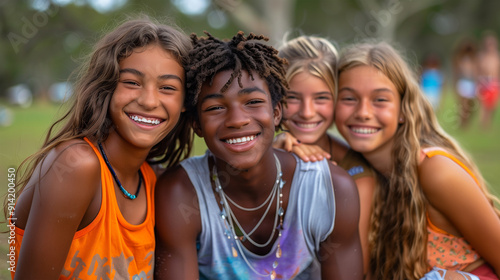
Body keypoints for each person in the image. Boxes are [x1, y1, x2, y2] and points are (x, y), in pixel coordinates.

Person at [154, 31, 363, 280]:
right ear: (196, 125)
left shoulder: (331, 189)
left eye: (252, 102)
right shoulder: (180, 193)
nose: (237, 120)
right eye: (216, 108)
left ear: (276, 113)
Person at [8, 18, 193, 279]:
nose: (149, 101)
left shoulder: (157, 182)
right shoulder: (75, 165)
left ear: (185, 102)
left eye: (167, 88)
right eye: (131, 82)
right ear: (107, 86)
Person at [334, 42, 500, 280]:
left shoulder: (435, 170)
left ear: (403, 109)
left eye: (380, 100)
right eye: (349, 98)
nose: (363, 112)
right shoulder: (358, 167)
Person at [272, 35, 375, 274]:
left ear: (338, 98)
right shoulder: (263, 151)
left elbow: (356, 268)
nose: (307, 112)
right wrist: (277, 151)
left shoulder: (356, 171)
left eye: (321, 98)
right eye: (292, 98)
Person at [452, 38, 478, 129]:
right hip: (463, 82)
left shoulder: (474, 59)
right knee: (463, 105)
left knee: (470, 106)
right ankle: (462, 124)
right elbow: (456, 72)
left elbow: (475, 72)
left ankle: (465, 122)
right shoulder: (459, 59)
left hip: (471, 83)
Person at [477, 31, 500, 129]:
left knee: (493, 105)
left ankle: (488, 123)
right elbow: (478, 69)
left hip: (495, 82)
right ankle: (483, 125)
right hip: (484, 82)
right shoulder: (482, 56)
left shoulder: (497, 56)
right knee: (484, 105)